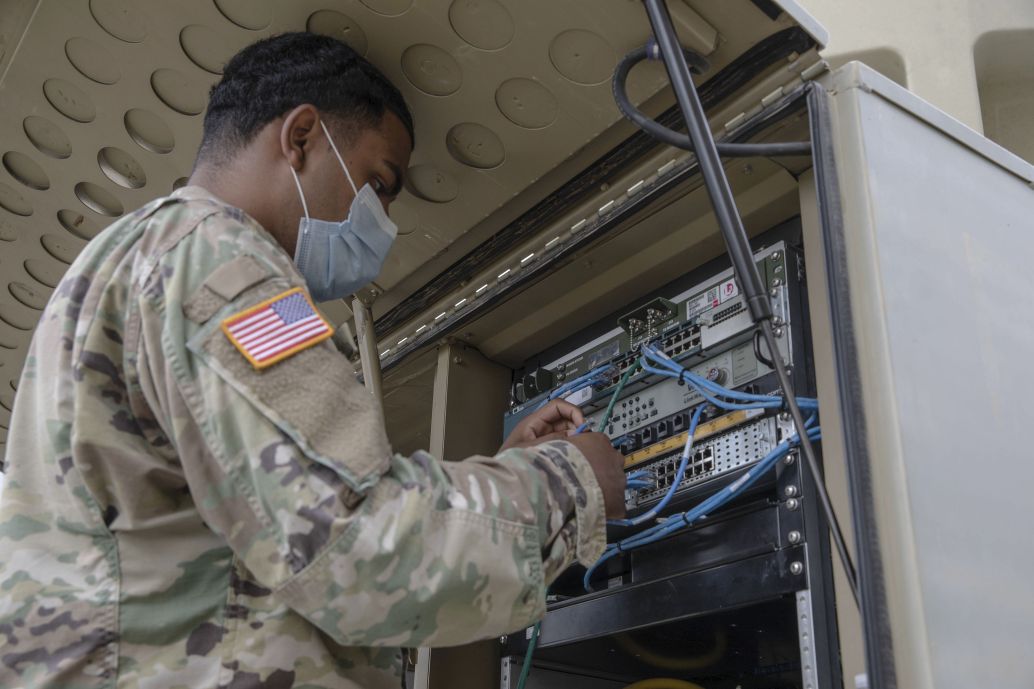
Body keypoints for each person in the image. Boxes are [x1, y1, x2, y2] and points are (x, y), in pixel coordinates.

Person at [0, 32, 626, 688]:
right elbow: (355, 547)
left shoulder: (131, 258)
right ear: (300, 137)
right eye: (378, 184)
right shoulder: (225, 265)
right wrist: (567, 483)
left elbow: (272, 520)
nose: (380, 223)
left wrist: (500, 475)